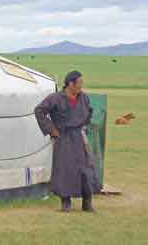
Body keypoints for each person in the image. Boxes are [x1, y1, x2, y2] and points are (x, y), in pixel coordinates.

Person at [34, 70, 98, 213]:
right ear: (70, 83)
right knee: (64, 169)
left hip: (79, 137)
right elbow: (39, 111)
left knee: (85, 169)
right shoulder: (55, 98)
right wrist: (52, 130)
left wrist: (84, 125)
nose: (81, 86)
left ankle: (87, 202)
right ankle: (66, 203)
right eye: (79, 83)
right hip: (63, 137)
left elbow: (89, 112)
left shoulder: (84, 98)